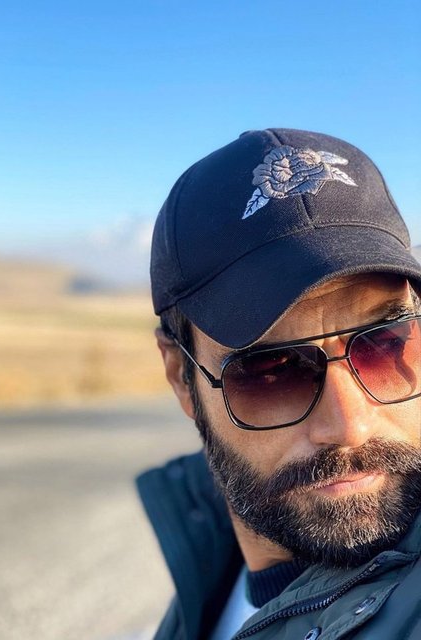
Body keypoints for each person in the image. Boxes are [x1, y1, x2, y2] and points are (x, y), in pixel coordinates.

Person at [137, 128, 421, 640]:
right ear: (182, 376)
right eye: (272, 369)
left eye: (385, 342)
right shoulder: (207, 575)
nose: (350, 426)